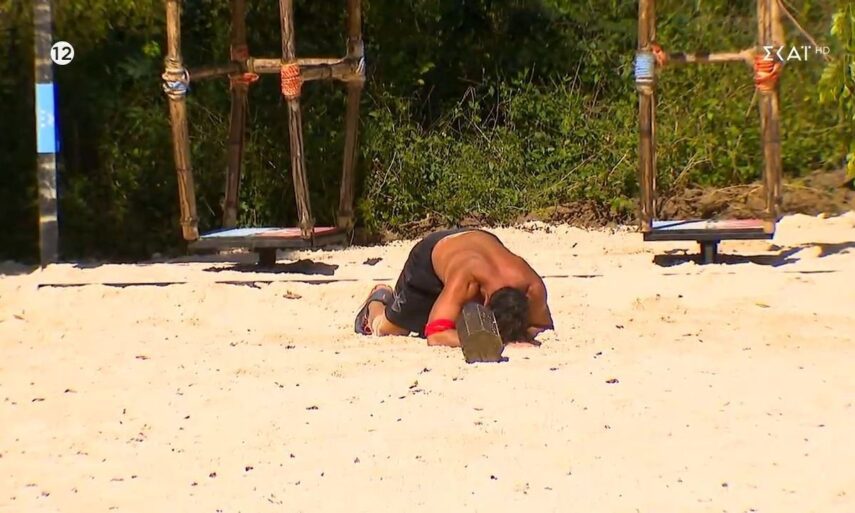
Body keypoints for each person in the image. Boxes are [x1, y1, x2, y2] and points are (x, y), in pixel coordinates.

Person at [354, 228, 553, 347]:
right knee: (388, 328)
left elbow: (541, 325)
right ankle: (378, 298)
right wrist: (486, 339)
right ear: (485, 300)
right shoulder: (467, 279)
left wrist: (520, 336)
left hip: (480, 238)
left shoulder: (533, 286)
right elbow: (435, 334)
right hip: (431, 257)